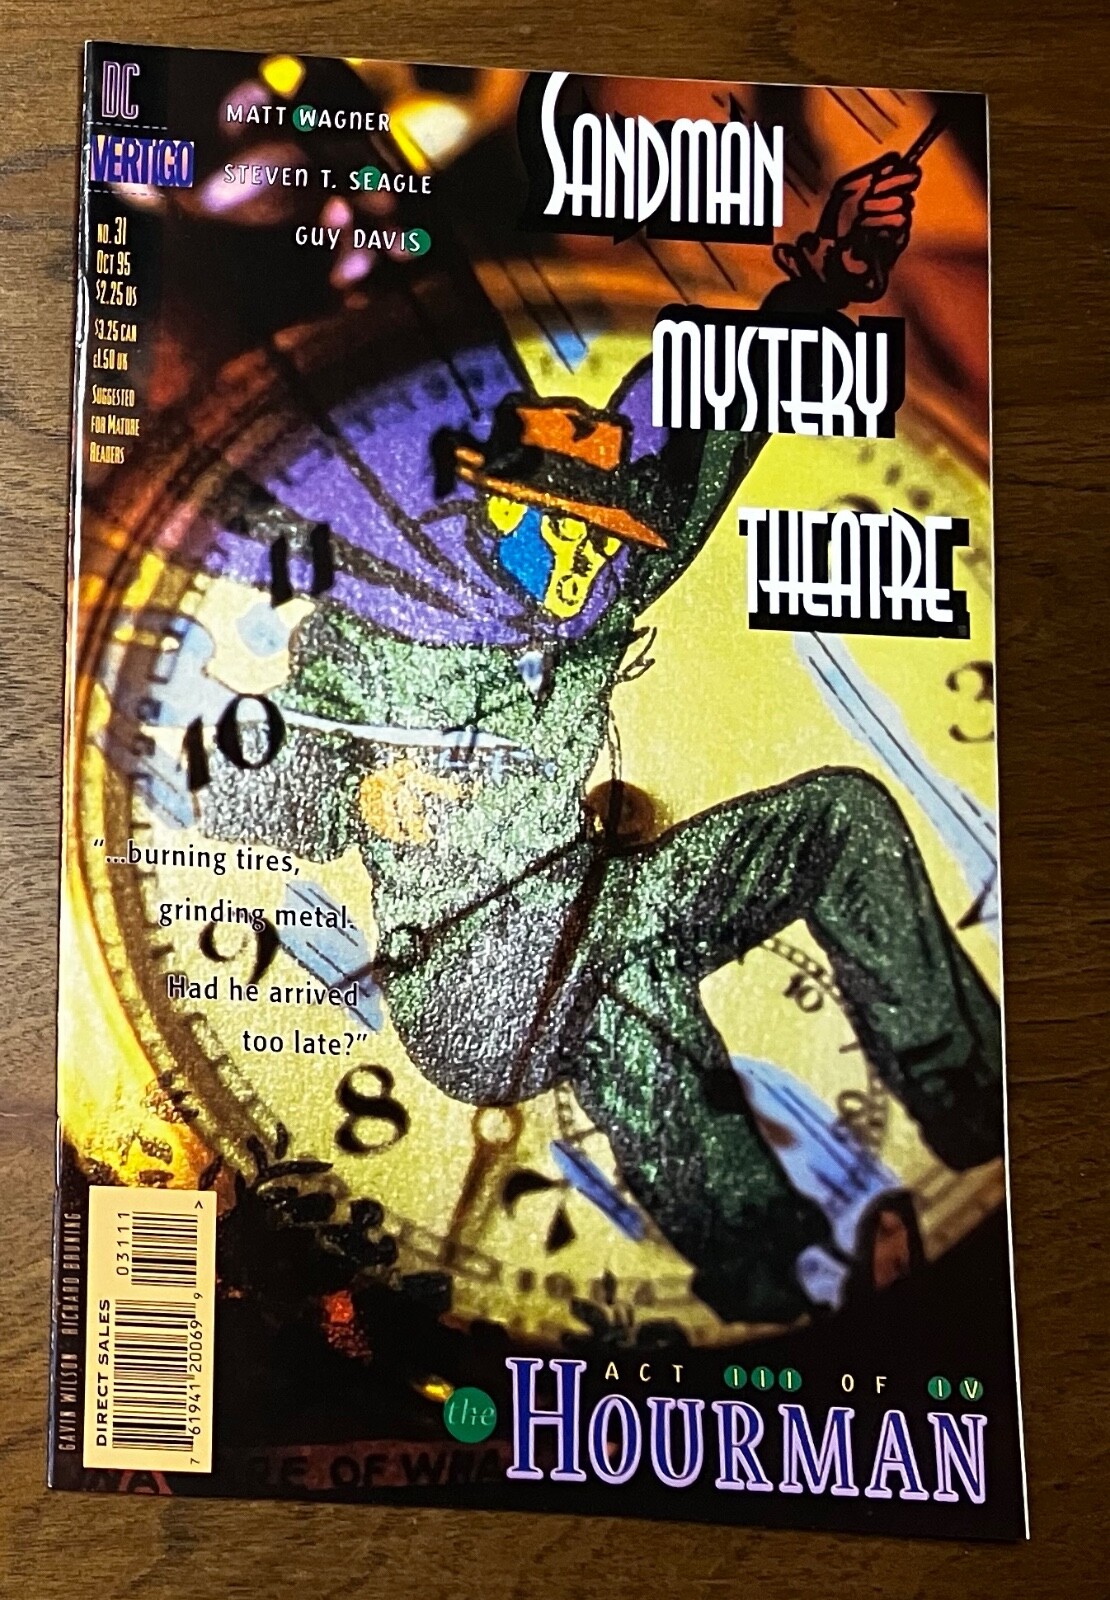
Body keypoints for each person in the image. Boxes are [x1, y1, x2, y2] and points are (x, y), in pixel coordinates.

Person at [209, 149, 1004, 1323]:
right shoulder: (378, 632)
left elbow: (715, 421)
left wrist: (824, 283)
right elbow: (239, 792)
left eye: (608, 538)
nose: (593, 560)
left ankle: (978, 1112)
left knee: (837, 820)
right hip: (472, 985)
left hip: (600, 902)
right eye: (570, 531)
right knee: (617, 978)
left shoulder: (598, 591)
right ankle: (776, 1269)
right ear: (503, 512)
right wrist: (357, 795)